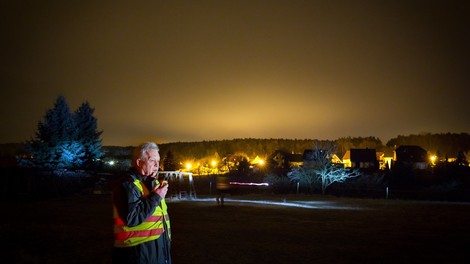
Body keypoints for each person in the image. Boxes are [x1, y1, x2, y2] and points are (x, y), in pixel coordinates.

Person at [112, 142, 171, 264]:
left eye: (158, 161)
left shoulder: (151, 184)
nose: (157, 165)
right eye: (152, 160)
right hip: (137, 254)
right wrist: (156, 197)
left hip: (158, 249)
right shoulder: (127, 185)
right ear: (139, 163)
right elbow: (132, 218)